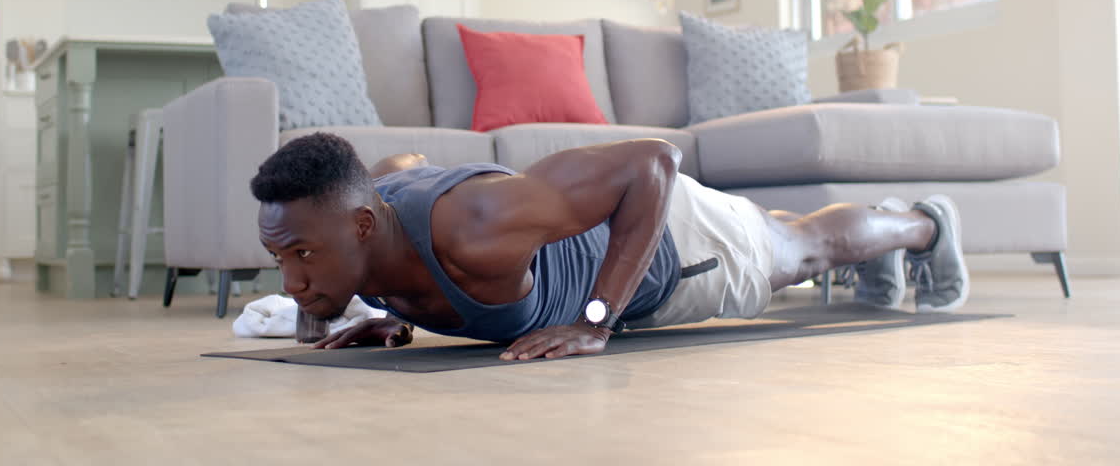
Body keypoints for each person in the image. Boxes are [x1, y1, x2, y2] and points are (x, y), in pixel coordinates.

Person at [253, 132, 968, 361]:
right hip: (595, 221)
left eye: (302, 255)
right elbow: (404, 164)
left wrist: (595, 321)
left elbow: (653, 162)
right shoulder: (367, 219)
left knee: (800, 249)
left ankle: (923, 225)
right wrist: (390, 307)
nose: (291, 282)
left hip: (668, 247)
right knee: (777, 226)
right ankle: (885, 237)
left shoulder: (475, 225)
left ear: (364, 227)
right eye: (279, 257)